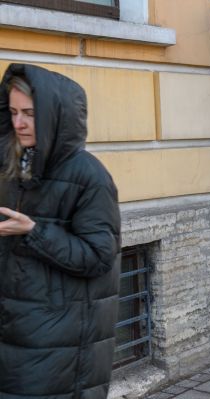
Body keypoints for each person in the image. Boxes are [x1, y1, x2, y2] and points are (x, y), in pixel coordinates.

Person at [0, 63, 121, 399]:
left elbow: (98, 257)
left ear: (54, 115)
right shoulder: (13, 165)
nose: (18, 123)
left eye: (28, 113)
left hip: (57, 339)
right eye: (12, 112)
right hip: (16, 324)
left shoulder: (90, 176)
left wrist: (33, 231)